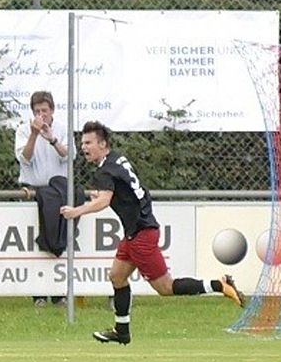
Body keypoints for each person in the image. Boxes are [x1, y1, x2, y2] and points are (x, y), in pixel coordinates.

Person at [58, 121, 245, 345]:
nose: (84, 147)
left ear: (103, 144)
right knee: (117, 276)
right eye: (82, 143)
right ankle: (122, 331)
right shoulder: (117, 159)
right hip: (135, 231)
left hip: (141, 235)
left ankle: (218, 284)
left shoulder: (105, 170)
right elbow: (124, 192)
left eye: (88, 143)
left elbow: (105, 201)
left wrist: (76, 211)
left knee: (165, 287)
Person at [15, 91, 71, 307]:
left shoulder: (62, 129)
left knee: (58, 239)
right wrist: (34, 135)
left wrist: (52, 139)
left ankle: (59, 293)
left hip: (58, 192)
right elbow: (24, 159)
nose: (41, 115)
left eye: (44, 111)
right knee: (35, 242)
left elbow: (69, 156)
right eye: (37, 111)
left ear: (52, 111)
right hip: (33, 191)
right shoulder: (23, 130)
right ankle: (38, 293)